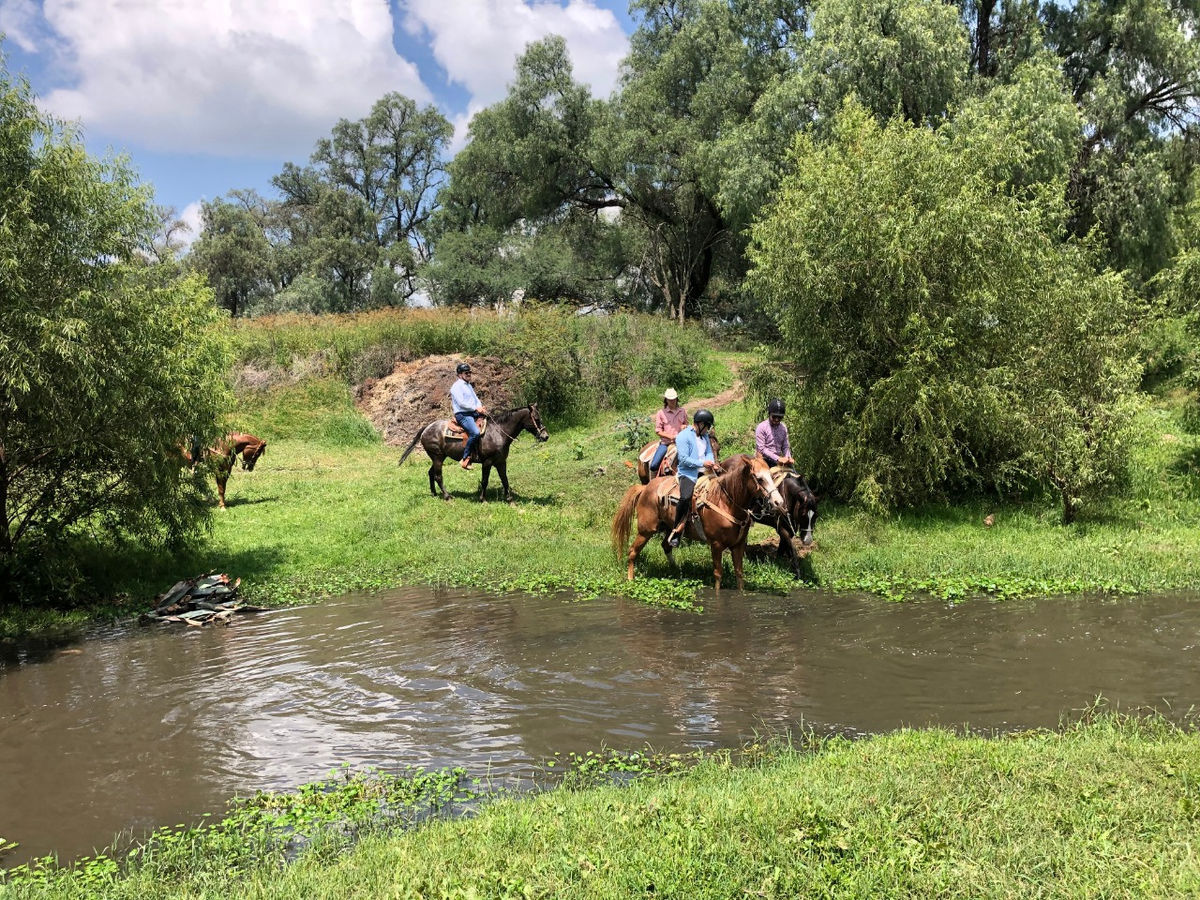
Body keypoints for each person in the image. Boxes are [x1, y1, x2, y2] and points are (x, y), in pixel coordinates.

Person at [668, 408, 720, 547]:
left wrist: (711, 463)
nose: (708, 429)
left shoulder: (705, 437)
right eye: (707, 426)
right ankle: (677, 531)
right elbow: (684, 459)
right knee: (685, 498)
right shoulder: (683, 436)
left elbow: (709, 453)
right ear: (700, 424)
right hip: (688, 473)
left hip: (706, 472)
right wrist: (702, 463)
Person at [450, 362, 487, 470]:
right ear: (460, 374)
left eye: (470, 372)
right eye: (467, 372)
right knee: (475, 432)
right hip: (462, 414)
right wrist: (475, 408)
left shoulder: (468, 385)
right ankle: (465, 458)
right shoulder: (456, 387)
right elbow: (461, 403)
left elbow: (476, 399)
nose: (469, 374)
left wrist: (480, 407)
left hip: (472, 412)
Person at [650, 388, 688, 477]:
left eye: (674, 399)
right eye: (670, 400)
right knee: (654, 465)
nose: (672, 401)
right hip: (666, 444)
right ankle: (652, 484)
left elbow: (686, 424)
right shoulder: (661, 413)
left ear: (677, 399)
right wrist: (670, 437)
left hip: (681, 443)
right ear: (666, 400)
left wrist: (685, 426)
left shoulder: (682, 411)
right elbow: (658, 431)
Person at [755, 398, 794, 468]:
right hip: (763, 460)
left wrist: (788, 457)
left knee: (795, 476)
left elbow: (785, 446)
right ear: (769, 414)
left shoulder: (783, 428)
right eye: (774, 417)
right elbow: (762, 449)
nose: (776, 419)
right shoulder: (761, 427)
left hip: (778, 461)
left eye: (779, 417)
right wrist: (778, 458)